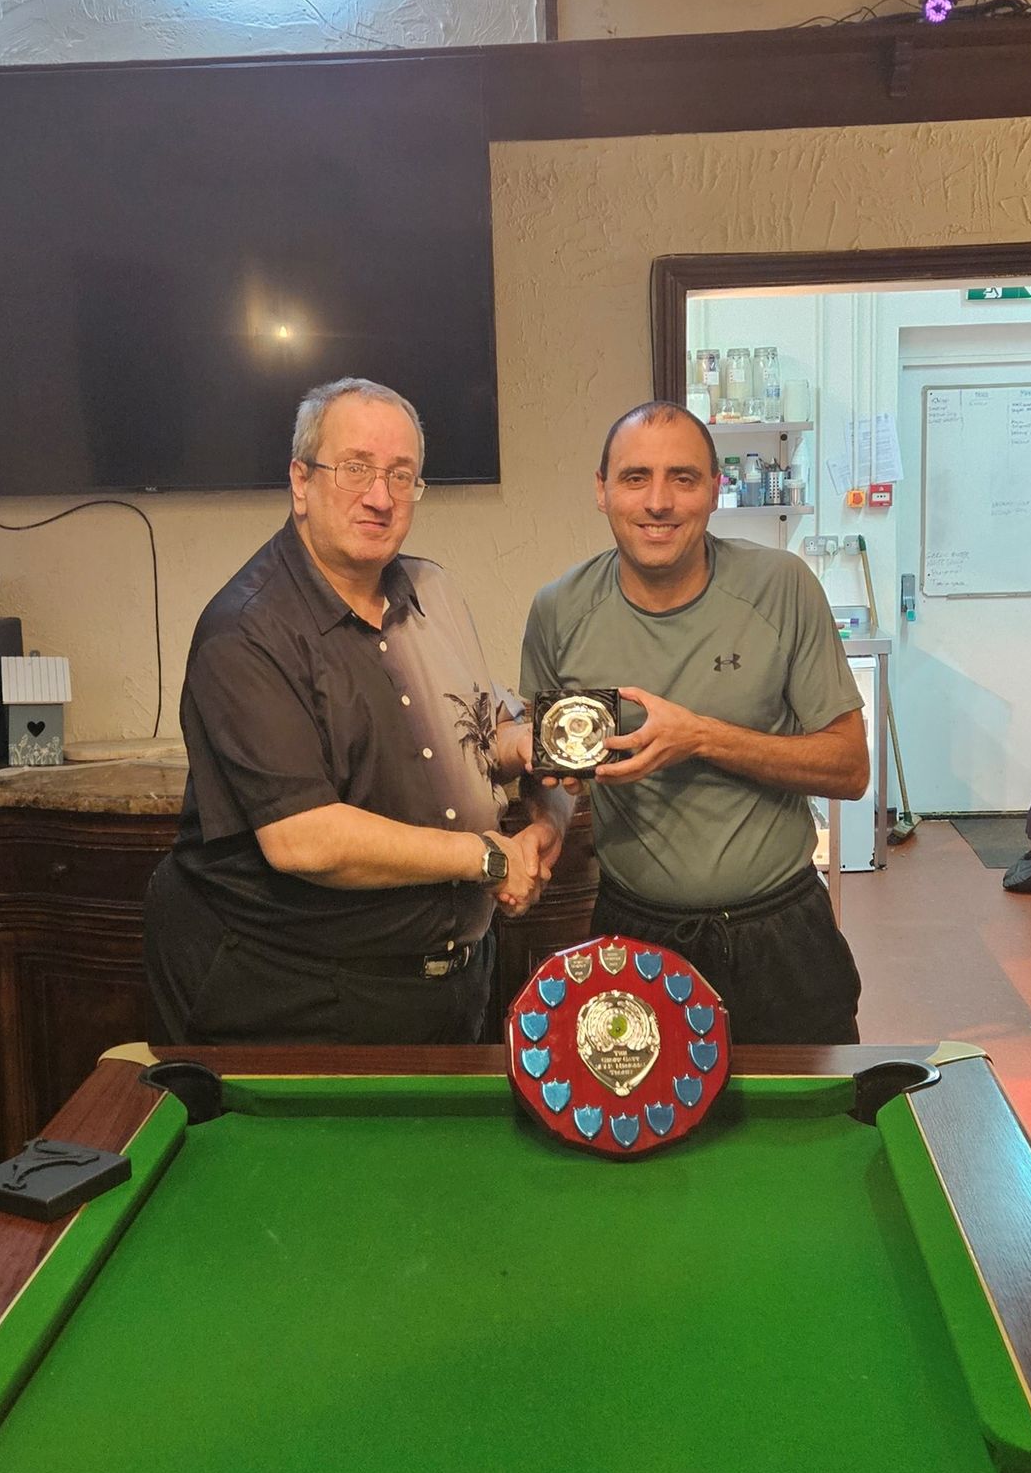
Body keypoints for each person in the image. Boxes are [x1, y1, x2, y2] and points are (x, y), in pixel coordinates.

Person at [143, 378, 561, 1045]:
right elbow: (304, 839)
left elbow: (486, 729)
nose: (380, 496)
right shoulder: (247, 630)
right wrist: (485, 857)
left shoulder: (434, 589)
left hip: (449, 984)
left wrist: (550, 789)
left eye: (403, 475)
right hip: (297, 996)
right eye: (356, 469)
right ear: (300, 481)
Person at [520, 400, 870, 1042]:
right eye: (634, 478)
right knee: (642, 1133)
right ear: (602, 492)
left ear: (714, 491)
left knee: (805, 1130)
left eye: (682, 479)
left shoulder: (782, 587)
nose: (659, 502)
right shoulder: (559, 611)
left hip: (781, 932)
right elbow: (558, 775)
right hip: (633, 934)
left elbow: (849, 769)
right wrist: (547, 826)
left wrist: (701, 738)